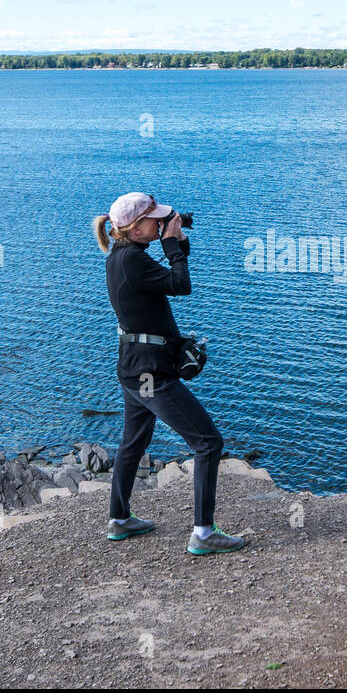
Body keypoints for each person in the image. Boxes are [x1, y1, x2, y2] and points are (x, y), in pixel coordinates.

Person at [92, 191, 246, 555]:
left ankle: (119, 519)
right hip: (152, 375)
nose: (160, 224)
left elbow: (167, 277)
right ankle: (204, 533)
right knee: (208, 443)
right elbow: (181, 285)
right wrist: (171, 245)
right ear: (135, 226)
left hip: (133, 371)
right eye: (155, 220)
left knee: (133, 443)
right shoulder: (133, 260)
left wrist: (177, 243)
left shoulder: (123, 257)